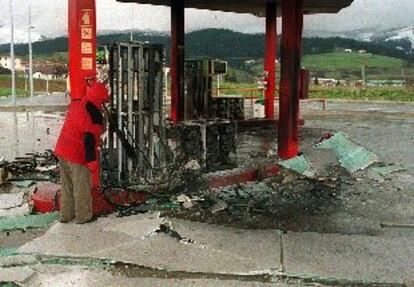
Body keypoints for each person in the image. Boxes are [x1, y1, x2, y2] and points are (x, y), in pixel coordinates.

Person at [54, 79, 109, 224]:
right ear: (101, 98)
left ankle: (66, 216)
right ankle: (83, 217)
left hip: (62, 149)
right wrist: (92, 163)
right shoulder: (95, 115)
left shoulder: (78, 103)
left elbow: (78, 128)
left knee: (66, 186)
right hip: (77, 154)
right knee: (81, 187)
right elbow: (88, 141)